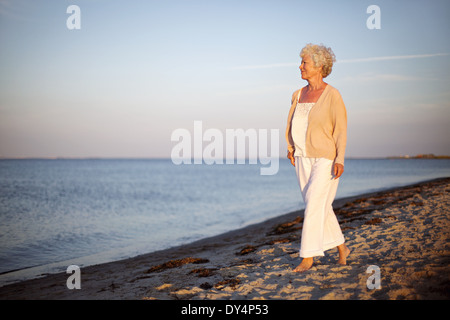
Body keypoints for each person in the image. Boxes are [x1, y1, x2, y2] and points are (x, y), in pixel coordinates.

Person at [285, 43, 350, 272]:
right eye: (301, 62)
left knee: (314, 204)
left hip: (326, 157)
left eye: (305, 62)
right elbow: (293, 123)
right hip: (302, 157)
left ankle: (308, 257)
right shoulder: (298, 94)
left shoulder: (332, 95)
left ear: (319, 66)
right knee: (318, 205)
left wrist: (340, 158)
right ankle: (342, 247)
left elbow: (340, 129)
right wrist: (291, 147)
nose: (300, 66)